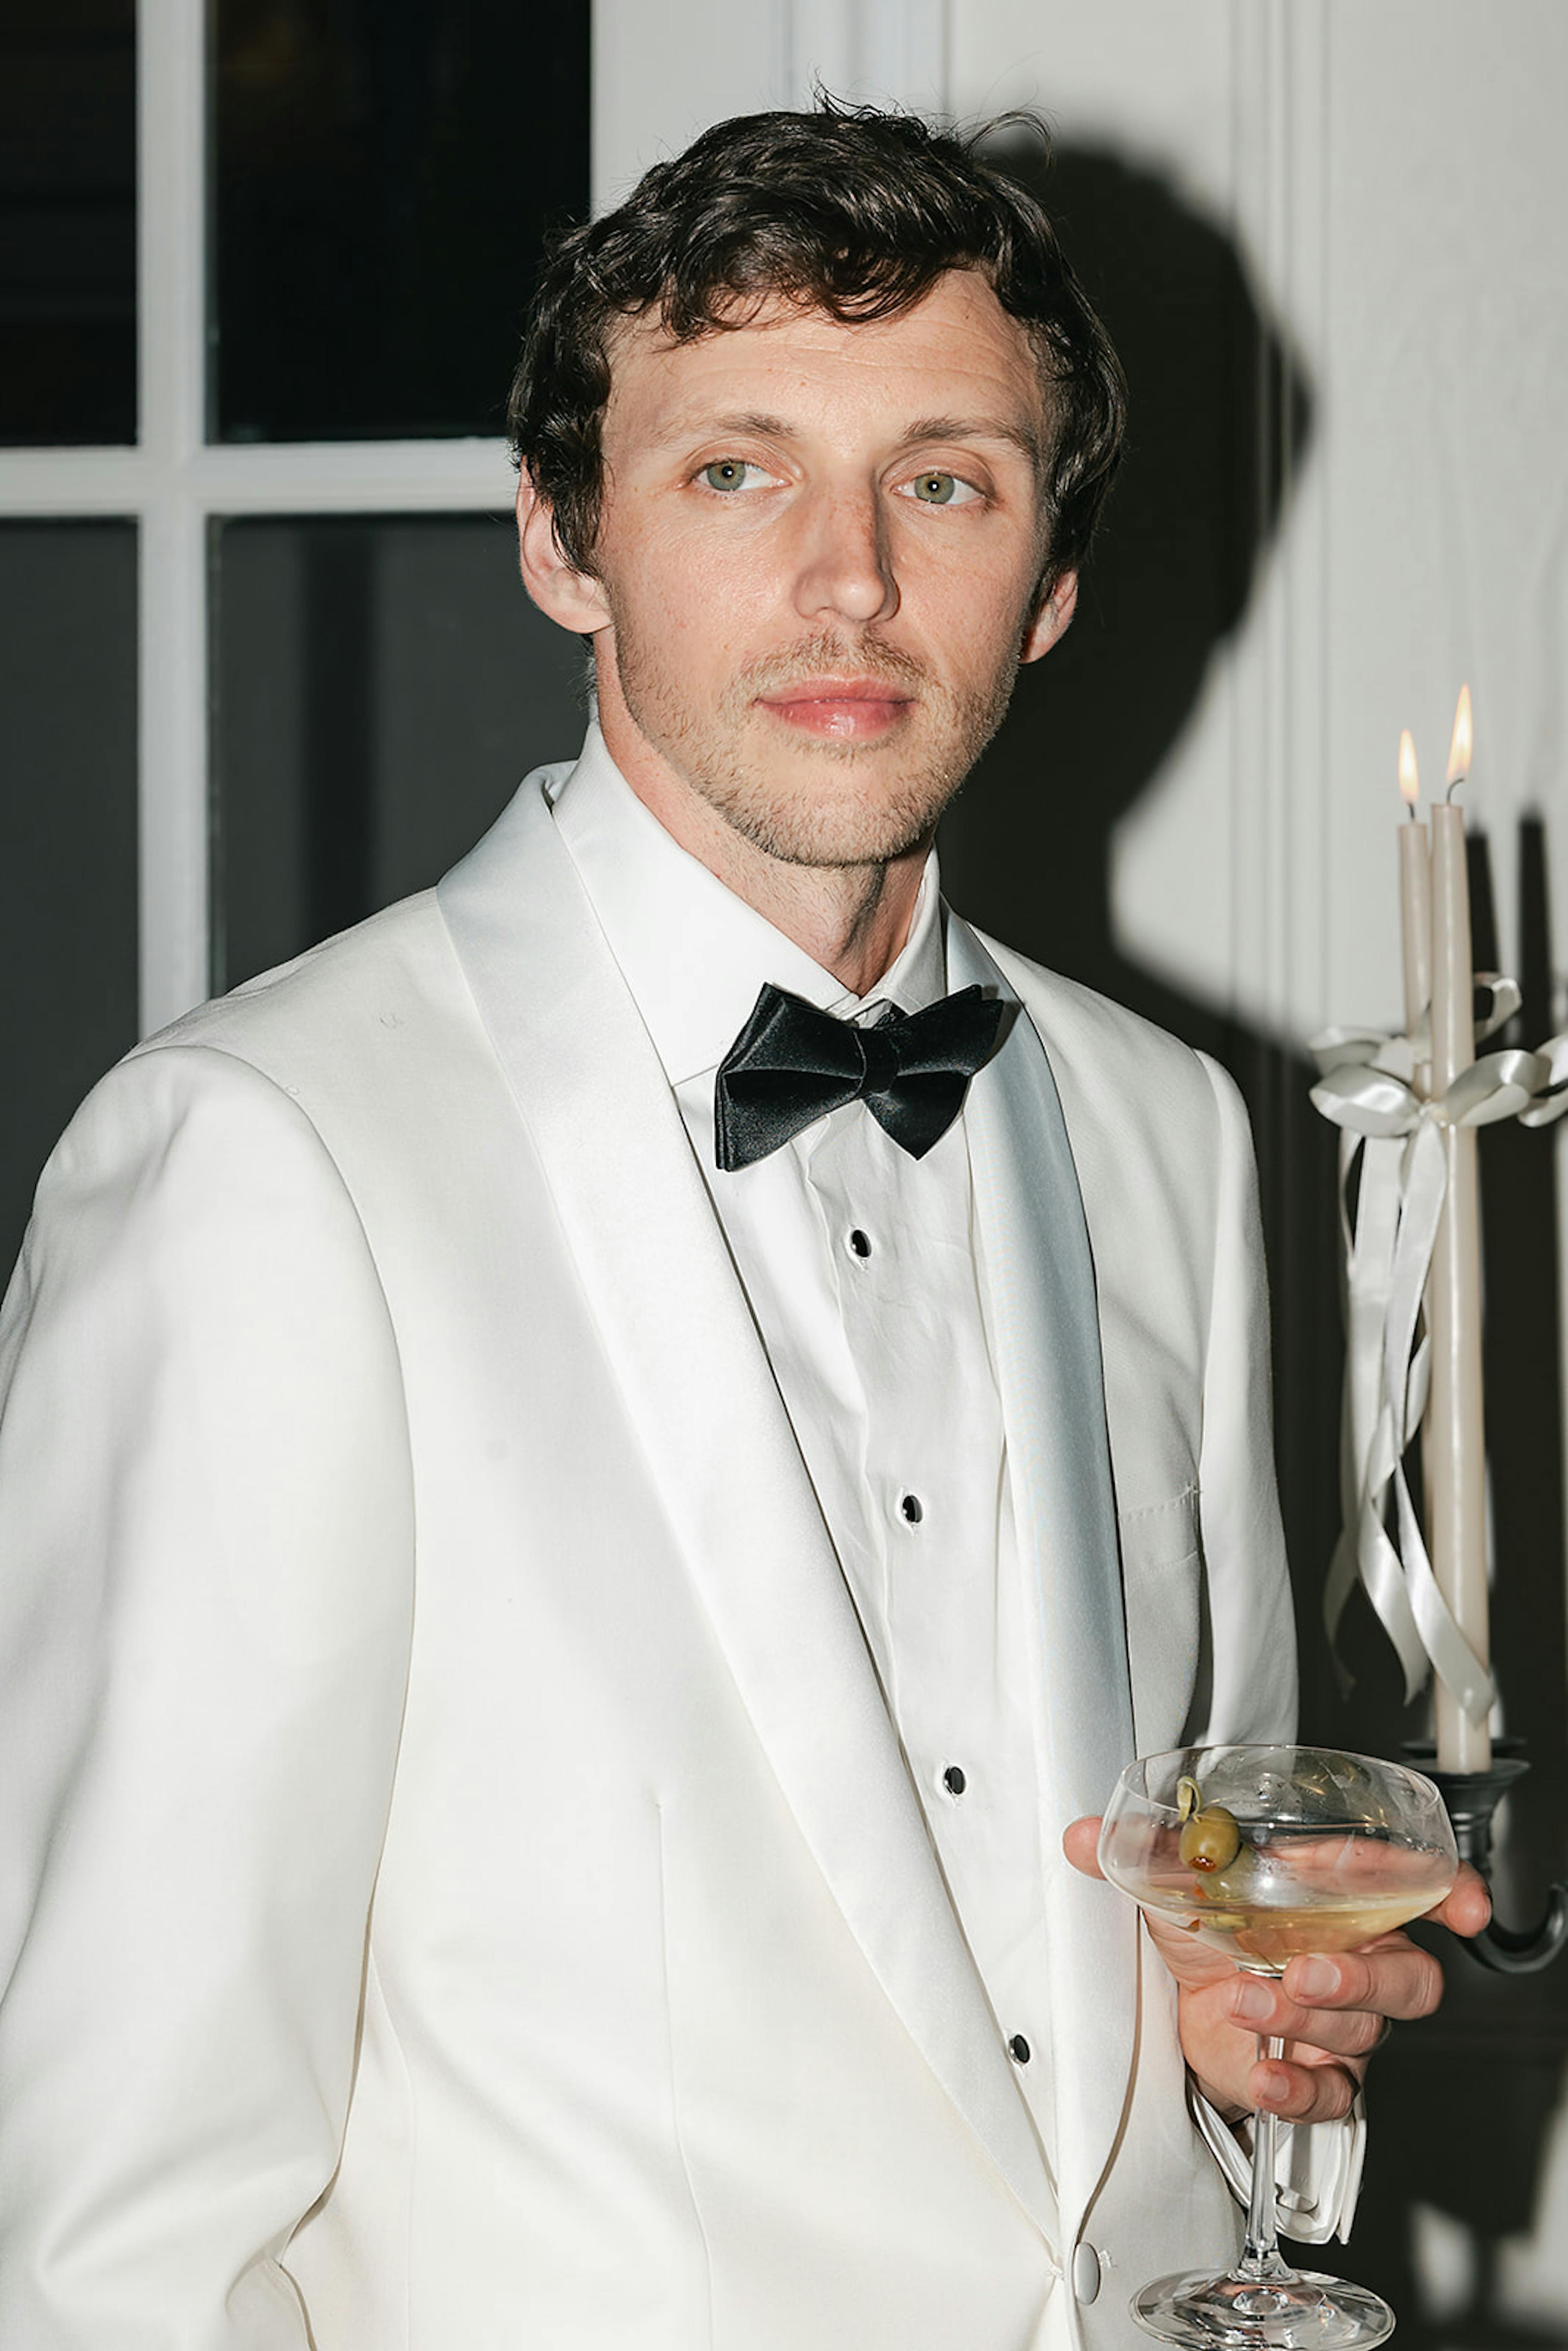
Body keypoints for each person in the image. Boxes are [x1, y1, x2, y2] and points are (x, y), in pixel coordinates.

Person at [0, 102, 1483, 2350]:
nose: (851, 582)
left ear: (1053, 583)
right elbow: (117, 2227)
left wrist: (1219, 2012)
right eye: (733, 470)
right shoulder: (257, 1160)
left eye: (948, 482)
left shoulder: (1169, 1127)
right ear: (555, 540)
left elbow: (1194, 1862)